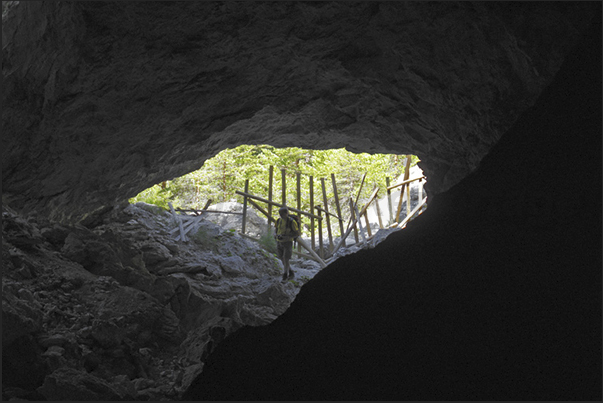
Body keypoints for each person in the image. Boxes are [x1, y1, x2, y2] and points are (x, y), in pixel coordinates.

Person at [274, 206, 300, 281]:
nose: (280, 215)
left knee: (286, 258)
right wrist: (275, 235)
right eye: (280, 213)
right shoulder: (278, 221)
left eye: (282, 213)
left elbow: (297, 233)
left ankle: (285, 275)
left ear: (286, 213)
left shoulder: (292, 222)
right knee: (282, 258)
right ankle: (291, 271)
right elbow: (275, 229)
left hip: (288, 242)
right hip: (279, 242)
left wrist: (287, 237)